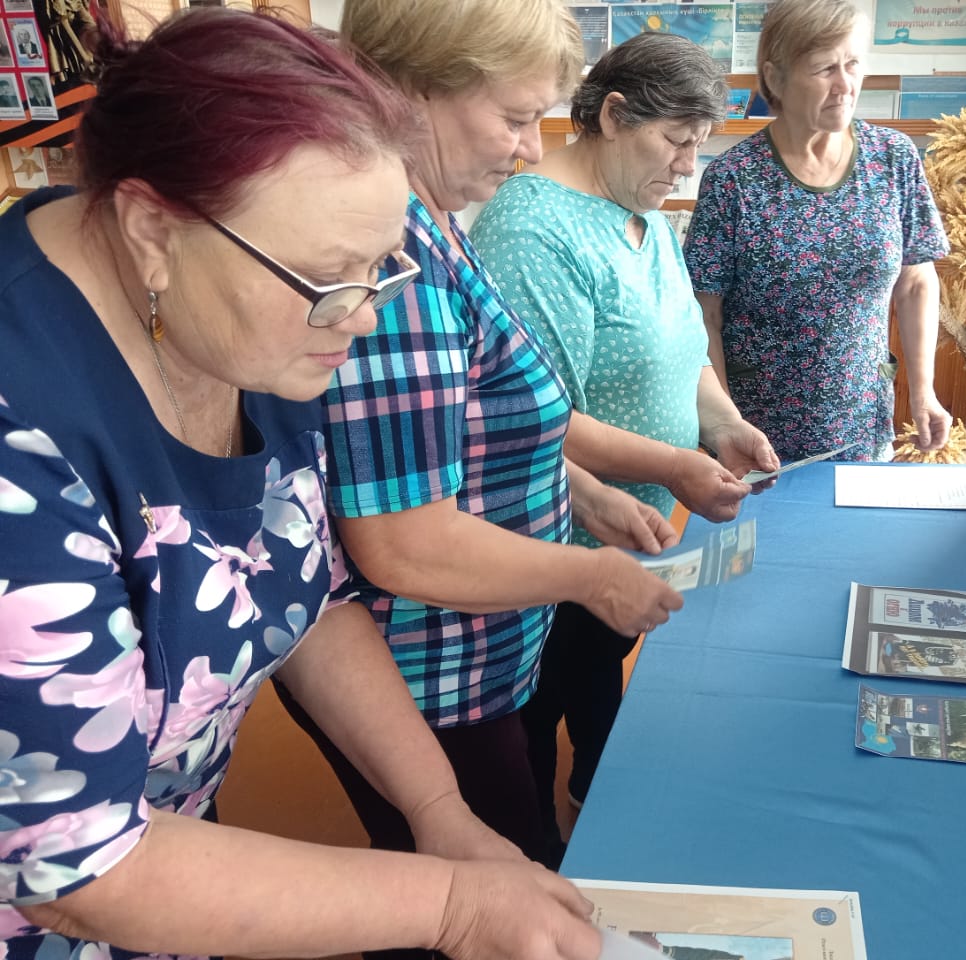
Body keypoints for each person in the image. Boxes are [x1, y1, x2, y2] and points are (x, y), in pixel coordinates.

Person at [0, 10, 601, 960]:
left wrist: (438, 808)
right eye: (330, 278)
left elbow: (310, 595)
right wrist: (453, 905)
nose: (362, 318)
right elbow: (80, 869)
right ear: (154, 230)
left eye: (381, 268)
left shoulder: (244, 328)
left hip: (170, 872)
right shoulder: (24, 436)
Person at [300, 0, 754, 883]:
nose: (532, 149)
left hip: (478, 642)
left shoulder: (435, 220)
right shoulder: (395, 258)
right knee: (480, 885)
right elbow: (402, 541)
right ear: (411, 93)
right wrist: (590, 575)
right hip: (428, 668)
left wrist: (589, 493)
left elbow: (494, 412)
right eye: (514, 118)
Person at [470, 31, 778, 857]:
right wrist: (675, 466)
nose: (688, 166)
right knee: (534, 715)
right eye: (676, 141)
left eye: (699, 145)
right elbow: (534, 418)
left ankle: (592, 805)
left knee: (598, 678)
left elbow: (684, 351)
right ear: (612, 116)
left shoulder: (643, 216)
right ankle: (539, 855)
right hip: (552, 542)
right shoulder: (533, 228)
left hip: (631, 534)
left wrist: (722, 423)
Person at [684, 0, 951, 462]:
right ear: (775, 78)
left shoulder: (894, 158)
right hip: (758, 434)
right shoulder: (733, 179)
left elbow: (915, 282)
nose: (845, 85)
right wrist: (727, 426)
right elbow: (704, 313)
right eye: (825, 68)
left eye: (853, 64)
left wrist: (924, 391)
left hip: (864, 420)